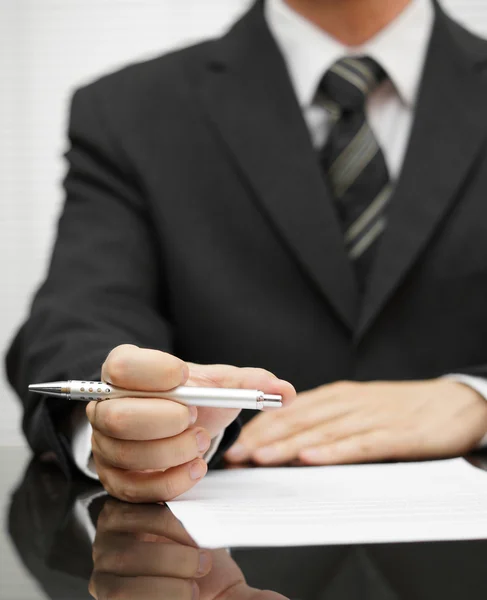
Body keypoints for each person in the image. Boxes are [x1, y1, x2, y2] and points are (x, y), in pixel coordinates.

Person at [6, 0, 487, 504]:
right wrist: (122, 423)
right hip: (212, 551)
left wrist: (477, 400)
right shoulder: (129, 110)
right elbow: (80, 315)